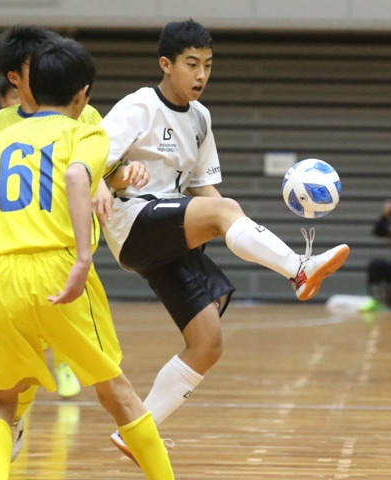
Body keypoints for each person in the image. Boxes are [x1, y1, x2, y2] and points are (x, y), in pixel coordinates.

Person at [99, 19, 350, 461]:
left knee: (208, 342)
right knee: (223, 210)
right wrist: (115, 174)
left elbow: (205, 190)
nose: (201, 75)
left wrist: (234, 222)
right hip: (132, 222)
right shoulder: (138, 107)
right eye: (191, 64)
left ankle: (137, 431)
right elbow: (89, 159)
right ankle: (299, 269)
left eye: (208, 65)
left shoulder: (201, 118)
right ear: (166, 64)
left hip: (170, 229)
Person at [0, 36, 174, 480]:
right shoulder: (86, 129)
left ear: (30, 86)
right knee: (116, 391)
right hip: (59, 266)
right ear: (83, 94)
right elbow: (78, 175)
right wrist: (83, 258)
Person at [0, 25, 106, 462]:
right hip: (14, 252)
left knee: (10, 371)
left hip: (53, 254)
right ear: (16, 77)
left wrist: (110, 180)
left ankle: (8, 422)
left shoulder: (84, 116)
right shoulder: (0, 126)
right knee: (112, 387)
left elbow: (109, 167)